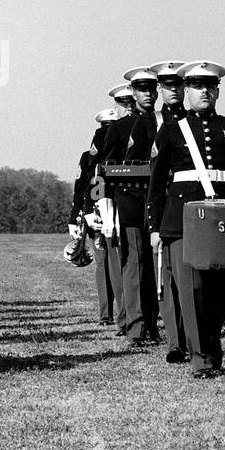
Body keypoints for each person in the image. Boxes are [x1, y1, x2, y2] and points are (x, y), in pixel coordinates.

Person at [146, 60, 225, 378]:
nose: (204, 92)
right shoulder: (171, 129)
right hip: (182, 221)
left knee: (224, 294)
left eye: (210, 87)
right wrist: (154, 226)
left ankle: (208, 341)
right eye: (197, 86)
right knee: (193, 291)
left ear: (217, 91)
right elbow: (157, 182)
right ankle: (204, 360)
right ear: (186, 90)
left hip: (222, 222)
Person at [100, 67, 163, 346]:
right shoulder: (119, 127)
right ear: (134, 93)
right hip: (131, 201)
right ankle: (136, 328)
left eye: (152, 90)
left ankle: (153, 324)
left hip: (160, 199)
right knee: (135, 263)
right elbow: (103, 170)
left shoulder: (166, 124)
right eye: (142, 90)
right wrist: (104, 205)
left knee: (156, 265)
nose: (148, 94)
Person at [149, 61, 190, 363]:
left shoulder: (193, 121)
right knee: (168, 277)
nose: (173, 90)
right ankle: (175, 340)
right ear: (160, 89)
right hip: (161, 205)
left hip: (187, 206)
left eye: (178, 84)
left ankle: (192, 335)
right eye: (168, 85)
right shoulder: (148, 123)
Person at [72, 107, 125, 328]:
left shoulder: (123, 155)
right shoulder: (88, 158)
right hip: (94, 216)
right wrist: (76, 217)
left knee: (119, 265)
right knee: (103, 265)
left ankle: (124, 313)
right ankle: (106, 313)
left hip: (118, 213)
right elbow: (80, 187)